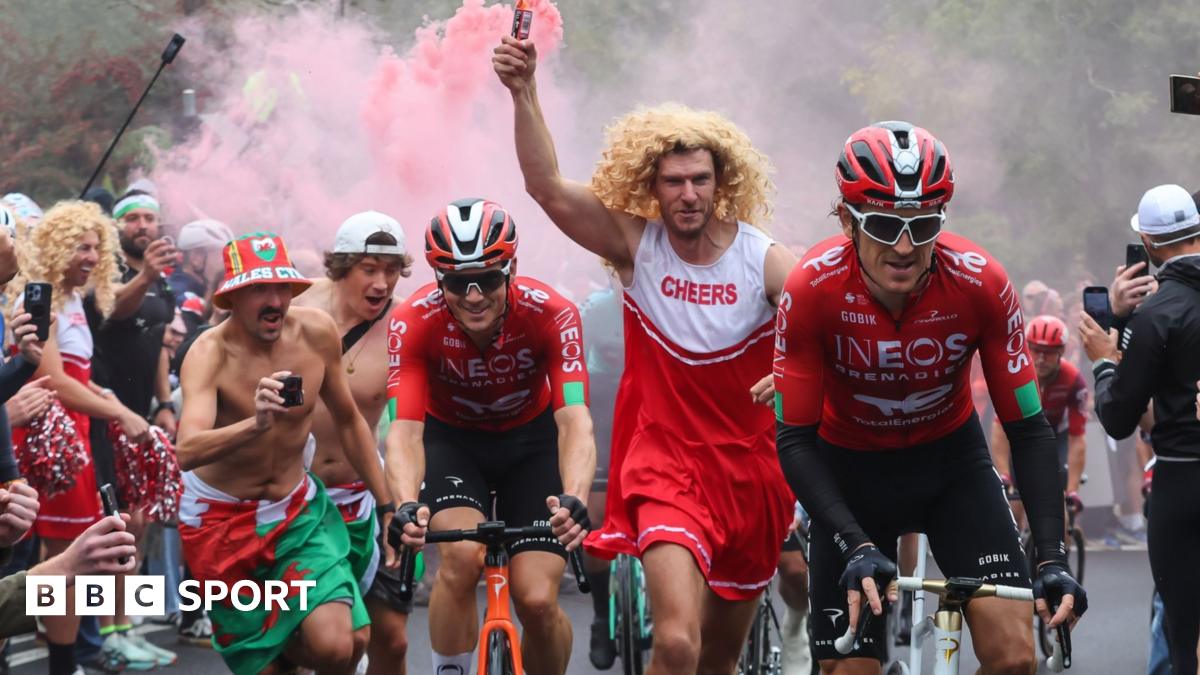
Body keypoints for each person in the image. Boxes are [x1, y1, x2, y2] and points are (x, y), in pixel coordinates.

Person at [494, 39, 796, 673]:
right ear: (652, 187)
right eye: (673, 181)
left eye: (700, 180)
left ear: (722, 183)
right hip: (665, 463)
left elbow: (824, 328)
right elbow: (546, 188)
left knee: (715, 660)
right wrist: (524, 92)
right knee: (677, 644)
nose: (687, 194)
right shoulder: (637, 244)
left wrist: (795, 369)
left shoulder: (764, 258)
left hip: (751, 474)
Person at [773, 121, 1086, 674]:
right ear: (847, 220)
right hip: (850, 475)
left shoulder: (981, 282)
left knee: (1015, 660)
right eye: (885, 224)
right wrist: (852, 542)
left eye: (923, 227)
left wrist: (1053, 557)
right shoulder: (811, 288)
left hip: (952, 467)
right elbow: (795, 438)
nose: (904, 247)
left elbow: (1030, 430)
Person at [386, 199, 595, 675]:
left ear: (512, 269)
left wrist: (575, 498)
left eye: (489, 279)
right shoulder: (414, 321)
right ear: (440, 281)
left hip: (532, 445)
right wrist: (403, 503)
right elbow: (405, 429)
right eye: (458, 282)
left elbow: (575, 418)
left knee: (538, 599)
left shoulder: (554, 313)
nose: (474, 295)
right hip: (453, 444)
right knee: (460, 559)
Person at [175, 231, 394, 675]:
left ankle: (293, 634)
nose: (274, 299)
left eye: (282, 287)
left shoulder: (315, 333)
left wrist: (390, 505)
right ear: (232, 298)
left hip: (297, 513)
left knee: (343, 645)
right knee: (269, 668)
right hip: (220, 524)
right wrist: (252, 424)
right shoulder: (208, 353)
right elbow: (186, 450)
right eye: (259, 289)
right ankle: (280, 646)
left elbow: (351, 421)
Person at [5, 200, 151, 675]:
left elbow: (79, 377)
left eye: (96, 248)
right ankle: (65, 664)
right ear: (55, 246)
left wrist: (118, 407)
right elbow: (56, 381)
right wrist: (119, 413)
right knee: (67, 553)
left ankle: (75, 656)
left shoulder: (72, 299)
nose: (90, 257)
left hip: (80, 439)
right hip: (53, 448)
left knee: (76, 551)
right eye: (80, 247)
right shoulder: (36, 295)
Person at [1079, 183, 1200, 674]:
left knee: (1183, 630)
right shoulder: (1154, 312)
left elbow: (1119, 416)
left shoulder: (1158, 312)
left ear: (1148, 245)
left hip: (1181, 482)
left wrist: (1105, 363)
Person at [291, 211, 414, 674]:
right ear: (342, 267)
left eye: (390, 269)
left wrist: (398, 502)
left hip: (367, 496)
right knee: (327, 646)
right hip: (297, 502)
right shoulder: (295, 307)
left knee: (394, 640)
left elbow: (413, 421)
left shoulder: (407, 323)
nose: (381, 282)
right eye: (369, 268)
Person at [991, 315, 1089, 527]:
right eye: (1035, 350)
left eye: (1050, 352)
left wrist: (1072, 490)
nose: (1041, 358)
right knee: (1013, 515)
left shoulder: (1073, 380)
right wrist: (1004, 474)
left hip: (1055, 439)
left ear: (1061, 352)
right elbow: (1000, 428)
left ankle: (1060, 557)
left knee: (1059, 514)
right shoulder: (1016, 375)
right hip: (1021, 436)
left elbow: (1077, 440)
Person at [169, 219, 234, 303]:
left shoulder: (201, 291)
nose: (229, 263)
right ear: (196, 257)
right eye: (223, 256)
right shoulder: (182, 298)